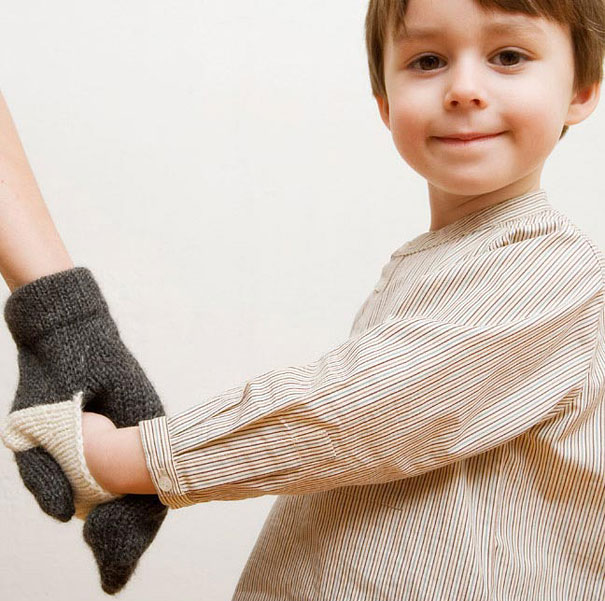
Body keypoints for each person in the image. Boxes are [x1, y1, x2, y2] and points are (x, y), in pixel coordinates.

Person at [1, 0, 604, 599]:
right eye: (427, 61)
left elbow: (356, 413)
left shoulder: (555, 272)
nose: (464, 89)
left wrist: (132, 459)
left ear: (581, 89)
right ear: (384, 102)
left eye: (508, 56)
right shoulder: (439, 264)